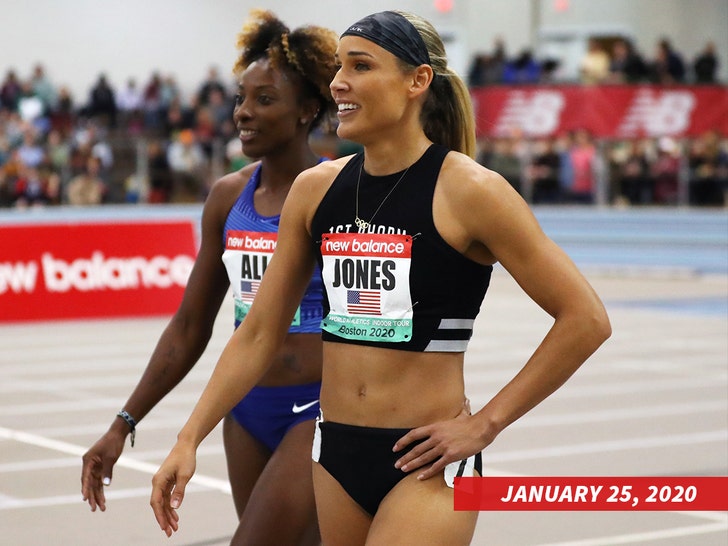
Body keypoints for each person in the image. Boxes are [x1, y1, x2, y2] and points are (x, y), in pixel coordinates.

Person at [150, 10, 611, 545]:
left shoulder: (470, 190)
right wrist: (188, 438)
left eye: (361, 66)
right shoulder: (317, 189)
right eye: (339, 67)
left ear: (418, 82)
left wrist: (484, 424)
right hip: (335, 453)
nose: (339, 82)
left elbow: (586, 318)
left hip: (427, 464)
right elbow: (257, 332)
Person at [82, 9, 338, 545]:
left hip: (318, 408)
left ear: (306, 111)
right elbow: (190, 325)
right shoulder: (228, 198)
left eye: (264, 99)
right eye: (241, 98)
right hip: (244, 409)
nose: (243, 113)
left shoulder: (337, 194)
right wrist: (123, 423)